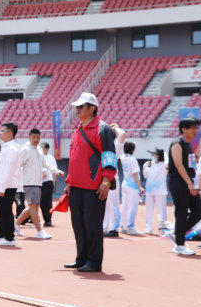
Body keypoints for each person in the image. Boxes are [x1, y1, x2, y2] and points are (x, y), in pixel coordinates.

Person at [62, 92, 117, 272]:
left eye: (81, 107)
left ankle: (94, 261)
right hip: (76, 186)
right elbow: (74, 158)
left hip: (93, 187)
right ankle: (81, 258)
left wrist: (106, 182)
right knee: (78, 224)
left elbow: (109, 156)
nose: (77, 110)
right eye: (77, 107)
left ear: (92, 108)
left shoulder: (103, 129)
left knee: (92, 225)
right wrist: (69, 182)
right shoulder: (78, 129)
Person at [168, 117, 201, 256]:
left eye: (197, 128)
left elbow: (190, 166)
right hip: (178, 182)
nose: (196, 131)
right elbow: (178, 165)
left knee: (198, 211)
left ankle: (176, 233)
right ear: (184, 129)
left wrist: (193, 183)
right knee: (181, 212)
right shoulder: (177, 144)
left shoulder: (188, 145)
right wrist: (190, 184)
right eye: (193, 128)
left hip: (188, 182)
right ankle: (180, 245)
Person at [14, 129, 51, 240]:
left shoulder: (39, 149)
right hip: (29, 182)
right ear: (29, 137)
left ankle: (16, 224)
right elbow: (18, 164)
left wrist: (56, 170)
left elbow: (45, 164)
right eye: (34, 137)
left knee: (32, 207)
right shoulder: (25, 149)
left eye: (38, 137)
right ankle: (39, 231)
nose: (36, 139)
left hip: (38, 182)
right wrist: (15, 179)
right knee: (34, 206)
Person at [0, 123, 22, 246]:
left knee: (6, 211)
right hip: (2, 183)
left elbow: (9, 170)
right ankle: (1, 235)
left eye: (2, 131)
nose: (0, 133)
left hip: (7, 185)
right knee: (2, 211)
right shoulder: (7, 147)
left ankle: (9, 238)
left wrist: (2, 187)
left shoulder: (12, 149)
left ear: (10, 133)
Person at [118, 141, 144, 235]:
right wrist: (140, 187)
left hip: (125, 184)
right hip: (133, 186)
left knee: (124, 206)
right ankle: (131, 227)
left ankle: (123, 226)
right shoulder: (133, 159)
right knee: (132, 207)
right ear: (133, 149)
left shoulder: (123, 157)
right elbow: (135, 174)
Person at [142, 148, 169, 235]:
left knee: (161, 211)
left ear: (158, 156)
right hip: (149, 191)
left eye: (154, 154)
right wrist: (146, 167)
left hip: (160, 191)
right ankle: (148, 228)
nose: (152, 156)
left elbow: (168, 163)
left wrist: (165, 154)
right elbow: (145, 176)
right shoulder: (149, 164)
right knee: (149, 210)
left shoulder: (164, 165)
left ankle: (162, 229)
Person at [39, 143, 64, 227]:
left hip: (48, 182)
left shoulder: (51, 158)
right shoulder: (39, 157)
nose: (40, 149)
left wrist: (53, 183)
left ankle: (48, 220)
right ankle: (45, 220)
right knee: (42, 203)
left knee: (47, 202)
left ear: (46, 149)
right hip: (40, 183)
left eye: (42, 147)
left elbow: (54, 172)